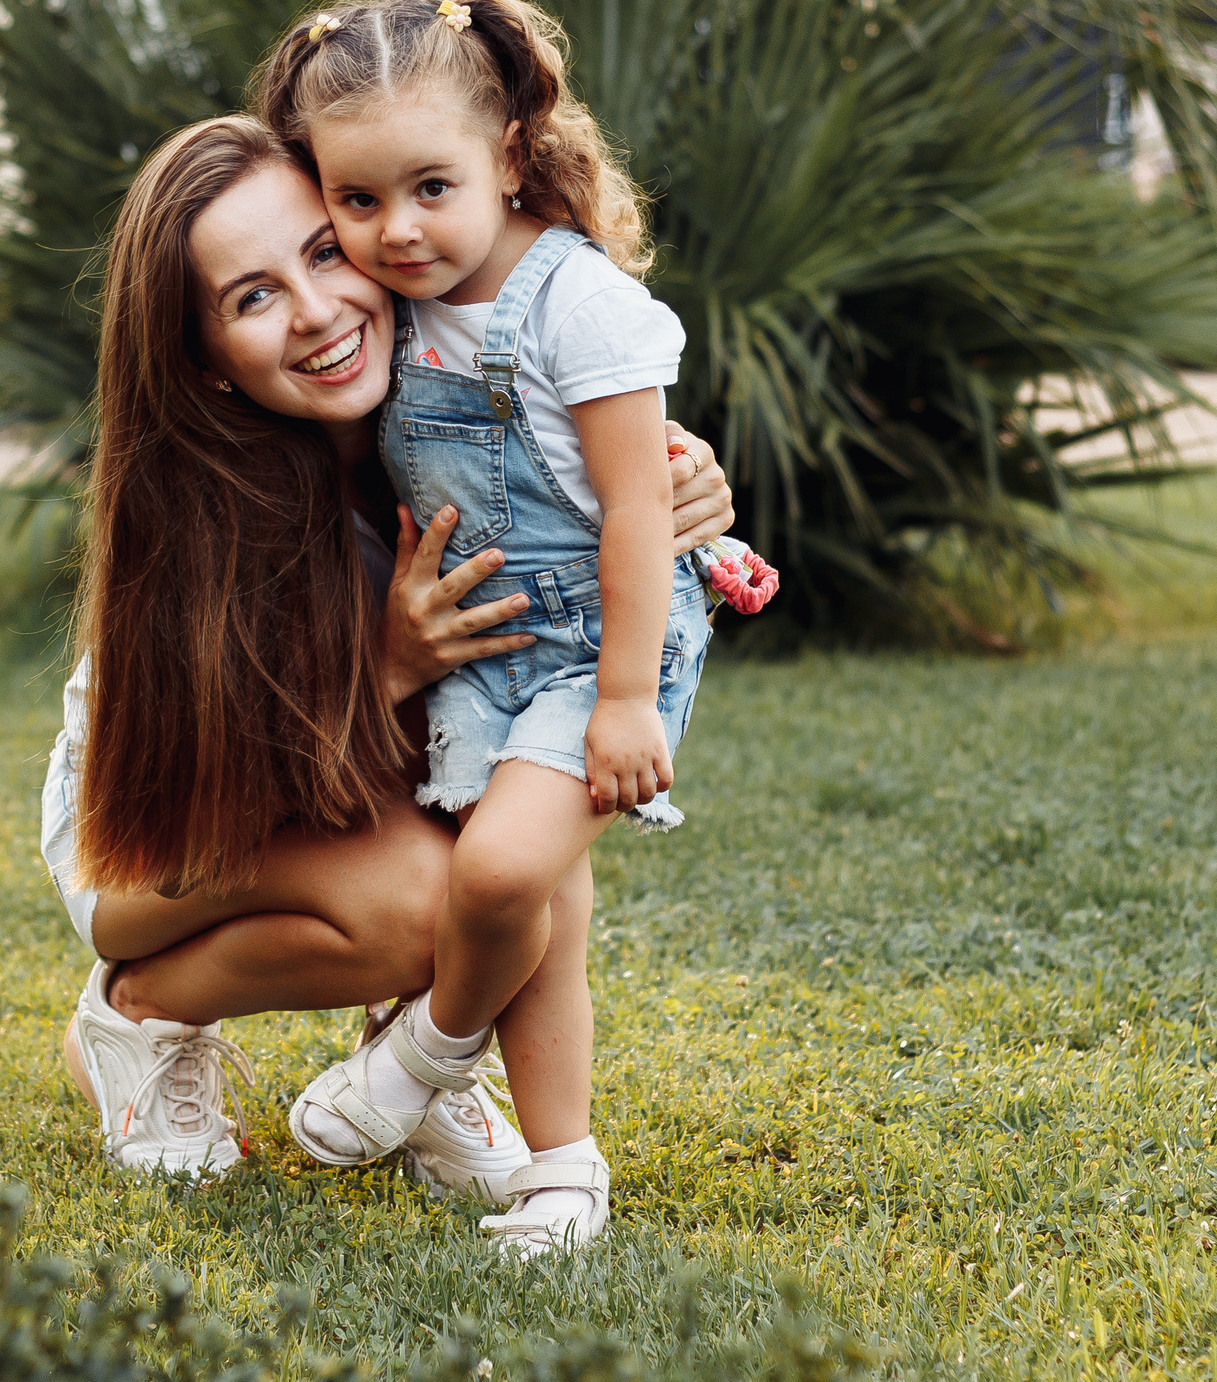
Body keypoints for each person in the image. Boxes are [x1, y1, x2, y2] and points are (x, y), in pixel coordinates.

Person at [42, 112, 737, 1197]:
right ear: (206, 361)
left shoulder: (447, 407)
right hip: (159, 839)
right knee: (431, 906)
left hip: (334, 792)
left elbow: (598, 515)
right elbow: (231, 783)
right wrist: (391, 667)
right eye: (252, 296)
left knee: (504, 852)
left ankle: (410, 1070)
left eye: (323, 251)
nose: (317, 312)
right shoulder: (206, 515)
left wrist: (669, 491)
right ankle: (135, 1011)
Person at [254, 0, 719, 1254]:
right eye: (358, 201)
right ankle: (563, 1171)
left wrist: (625, 696)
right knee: (544, 909)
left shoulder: (581, 303)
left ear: (508, 155)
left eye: (430, 188)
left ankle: (423, 1059)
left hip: (597, 642)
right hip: (486, 647)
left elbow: (637, 510)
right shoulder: (393, 304)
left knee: (504, 868)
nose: (396, 230)